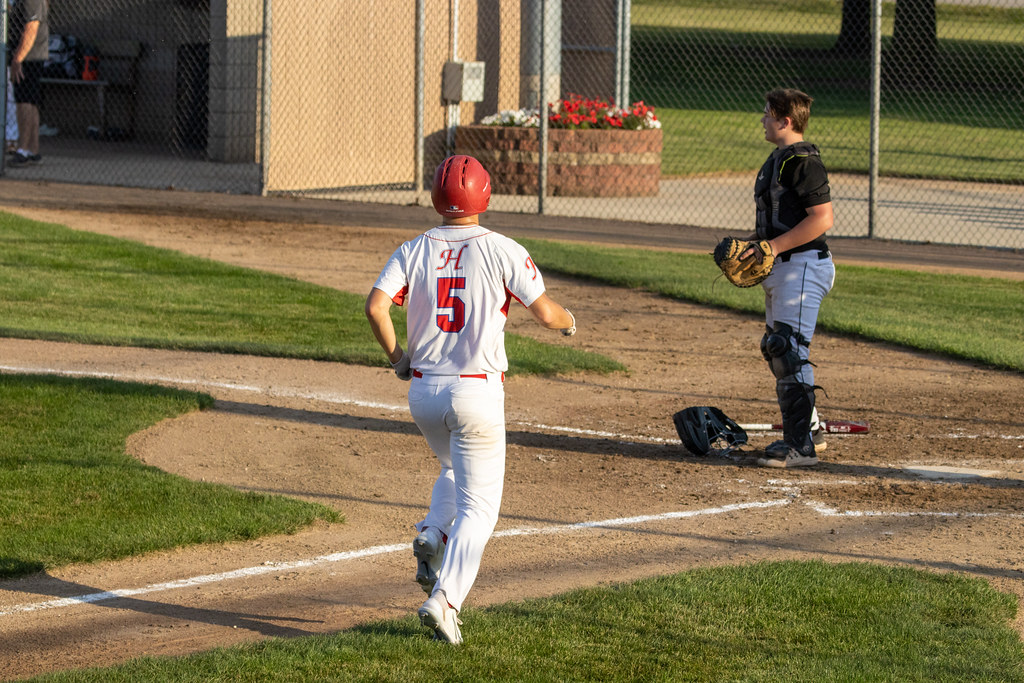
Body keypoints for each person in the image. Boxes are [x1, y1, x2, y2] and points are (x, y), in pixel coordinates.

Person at [365, 154, 577, 644]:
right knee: (481, 508)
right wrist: (569, 320)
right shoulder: (504, 249)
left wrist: (399, 358)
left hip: (424, 393)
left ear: (438, 197)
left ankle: (434, 532)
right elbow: (546, 314)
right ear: (484, 195)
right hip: (476, 391)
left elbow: (376, 307)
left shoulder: (413, 248)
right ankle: (445, 600)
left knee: (456, 469)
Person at [747, 87, 835, 468]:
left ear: (785, 121)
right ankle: (811, 428)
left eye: (768, 114)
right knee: (777, 349)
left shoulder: (804, 162)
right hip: (785, 263)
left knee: (788, 349)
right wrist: (755, 245)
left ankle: (800, 448)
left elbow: (822, 218)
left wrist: (774, 247)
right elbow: (779, 220)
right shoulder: (777, 159)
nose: (763, 120)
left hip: (802, 265)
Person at [7, 0, 48, 167]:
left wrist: (18, 58)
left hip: (29, 57)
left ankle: (23, 150)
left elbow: (32, 27)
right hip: (30, 56)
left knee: (24, 101)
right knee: (30, 100)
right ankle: (33, 150)